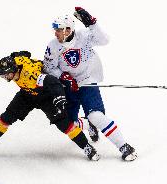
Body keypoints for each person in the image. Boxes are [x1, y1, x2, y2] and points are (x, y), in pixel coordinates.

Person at [43, 7, 137, 161]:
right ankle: (89, 125)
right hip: (67, 87)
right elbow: (48, 67)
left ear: (68, 29)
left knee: (96, 116)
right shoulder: (52, 46)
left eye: (58, 29)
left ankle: (124, 146)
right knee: (69, 124)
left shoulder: (84, 36)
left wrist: (92, 24)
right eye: (55, 29)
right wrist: (63, 77)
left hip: (87, 81)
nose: (55, 33)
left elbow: (105, 40)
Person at [0, 51, 100, 161]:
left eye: (5, 75)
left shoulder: (32, 75)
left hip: (46, 96)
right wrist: (13, 56)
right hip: (27, 94)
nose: (3, 77)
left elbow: (52, 82)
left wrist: (59, 97)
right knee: (7, 117)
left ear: (13, 71)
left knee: (64, 124)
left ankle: (87, 146)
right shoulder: (16, 61)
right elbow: (26, 54)